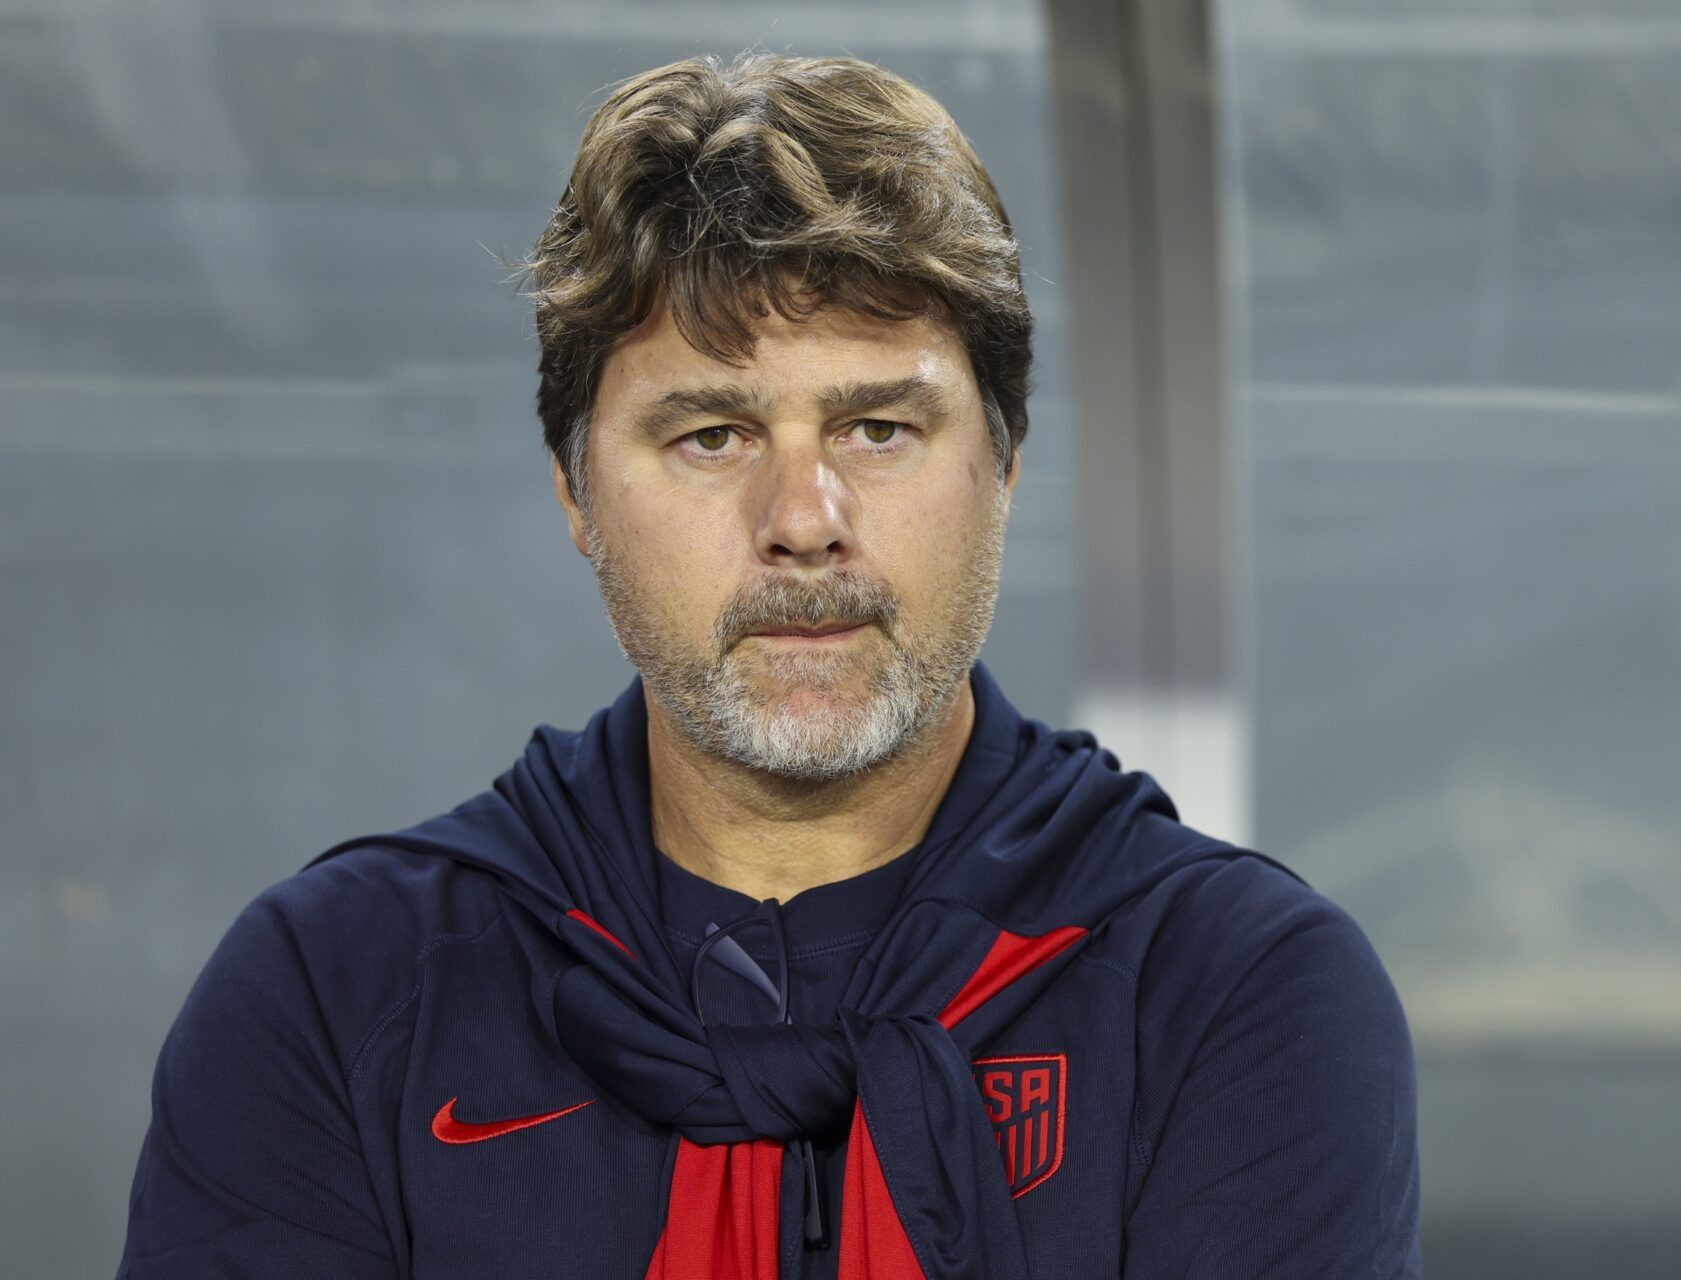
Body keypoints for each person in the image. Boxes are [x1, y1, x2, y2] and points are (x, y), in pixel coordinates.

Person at [116, 52, 1420, 1279]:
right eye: (712, 436)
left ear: (1005, 466)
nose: (806, 516)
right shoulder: (335, 993)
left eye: (879, 425)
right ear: (576, 495)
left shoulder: (1237, 997)